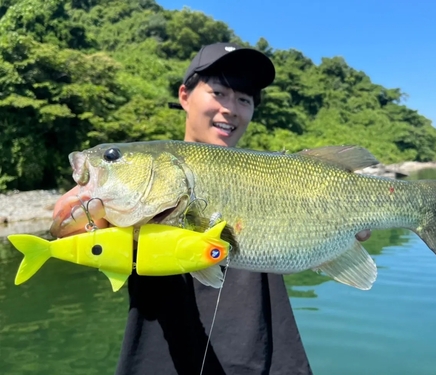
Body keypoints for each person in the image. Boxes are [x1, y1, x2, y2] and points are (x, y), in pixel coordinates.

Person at [53, 42, 371, 374]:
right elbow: (65, 226)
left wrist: (344, 224)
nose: (231, 108)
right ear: (184, 96)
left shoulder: (273, 172)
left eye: (244, 99)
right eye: (219, 92)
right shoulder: (132, 191)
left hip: (269, 361)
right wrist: (78, 221)